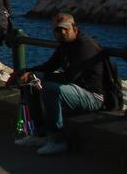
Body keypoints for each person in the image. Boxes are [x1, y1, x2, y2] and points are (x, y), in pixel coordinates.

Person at [9, 13, 106, 155]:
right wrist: (27, 72)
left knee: (51, 89)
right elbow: (50, 66)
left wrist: (40, 77)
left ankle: (57, 140)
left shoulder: (85, 46)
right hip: (75, 90)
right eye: (57, 30)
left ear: (74, 28)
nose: (61, 33)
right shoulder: (64, 45)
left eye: (65, 29)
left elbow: (71, 76)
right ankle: (40, 134)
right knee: (31, 84)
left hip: (92, 95)